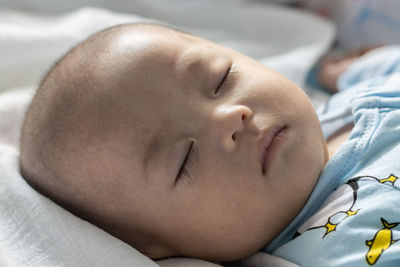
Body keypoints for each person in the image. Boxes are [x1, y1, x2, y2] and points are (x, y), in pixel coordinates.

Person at [18, 23, 400, 266]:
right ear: (158, 246)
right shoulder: (342, 248)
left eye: (221, 78)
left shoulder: (359, 95)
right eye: (185, 158)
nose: (231, 117)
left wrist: (335, 71)